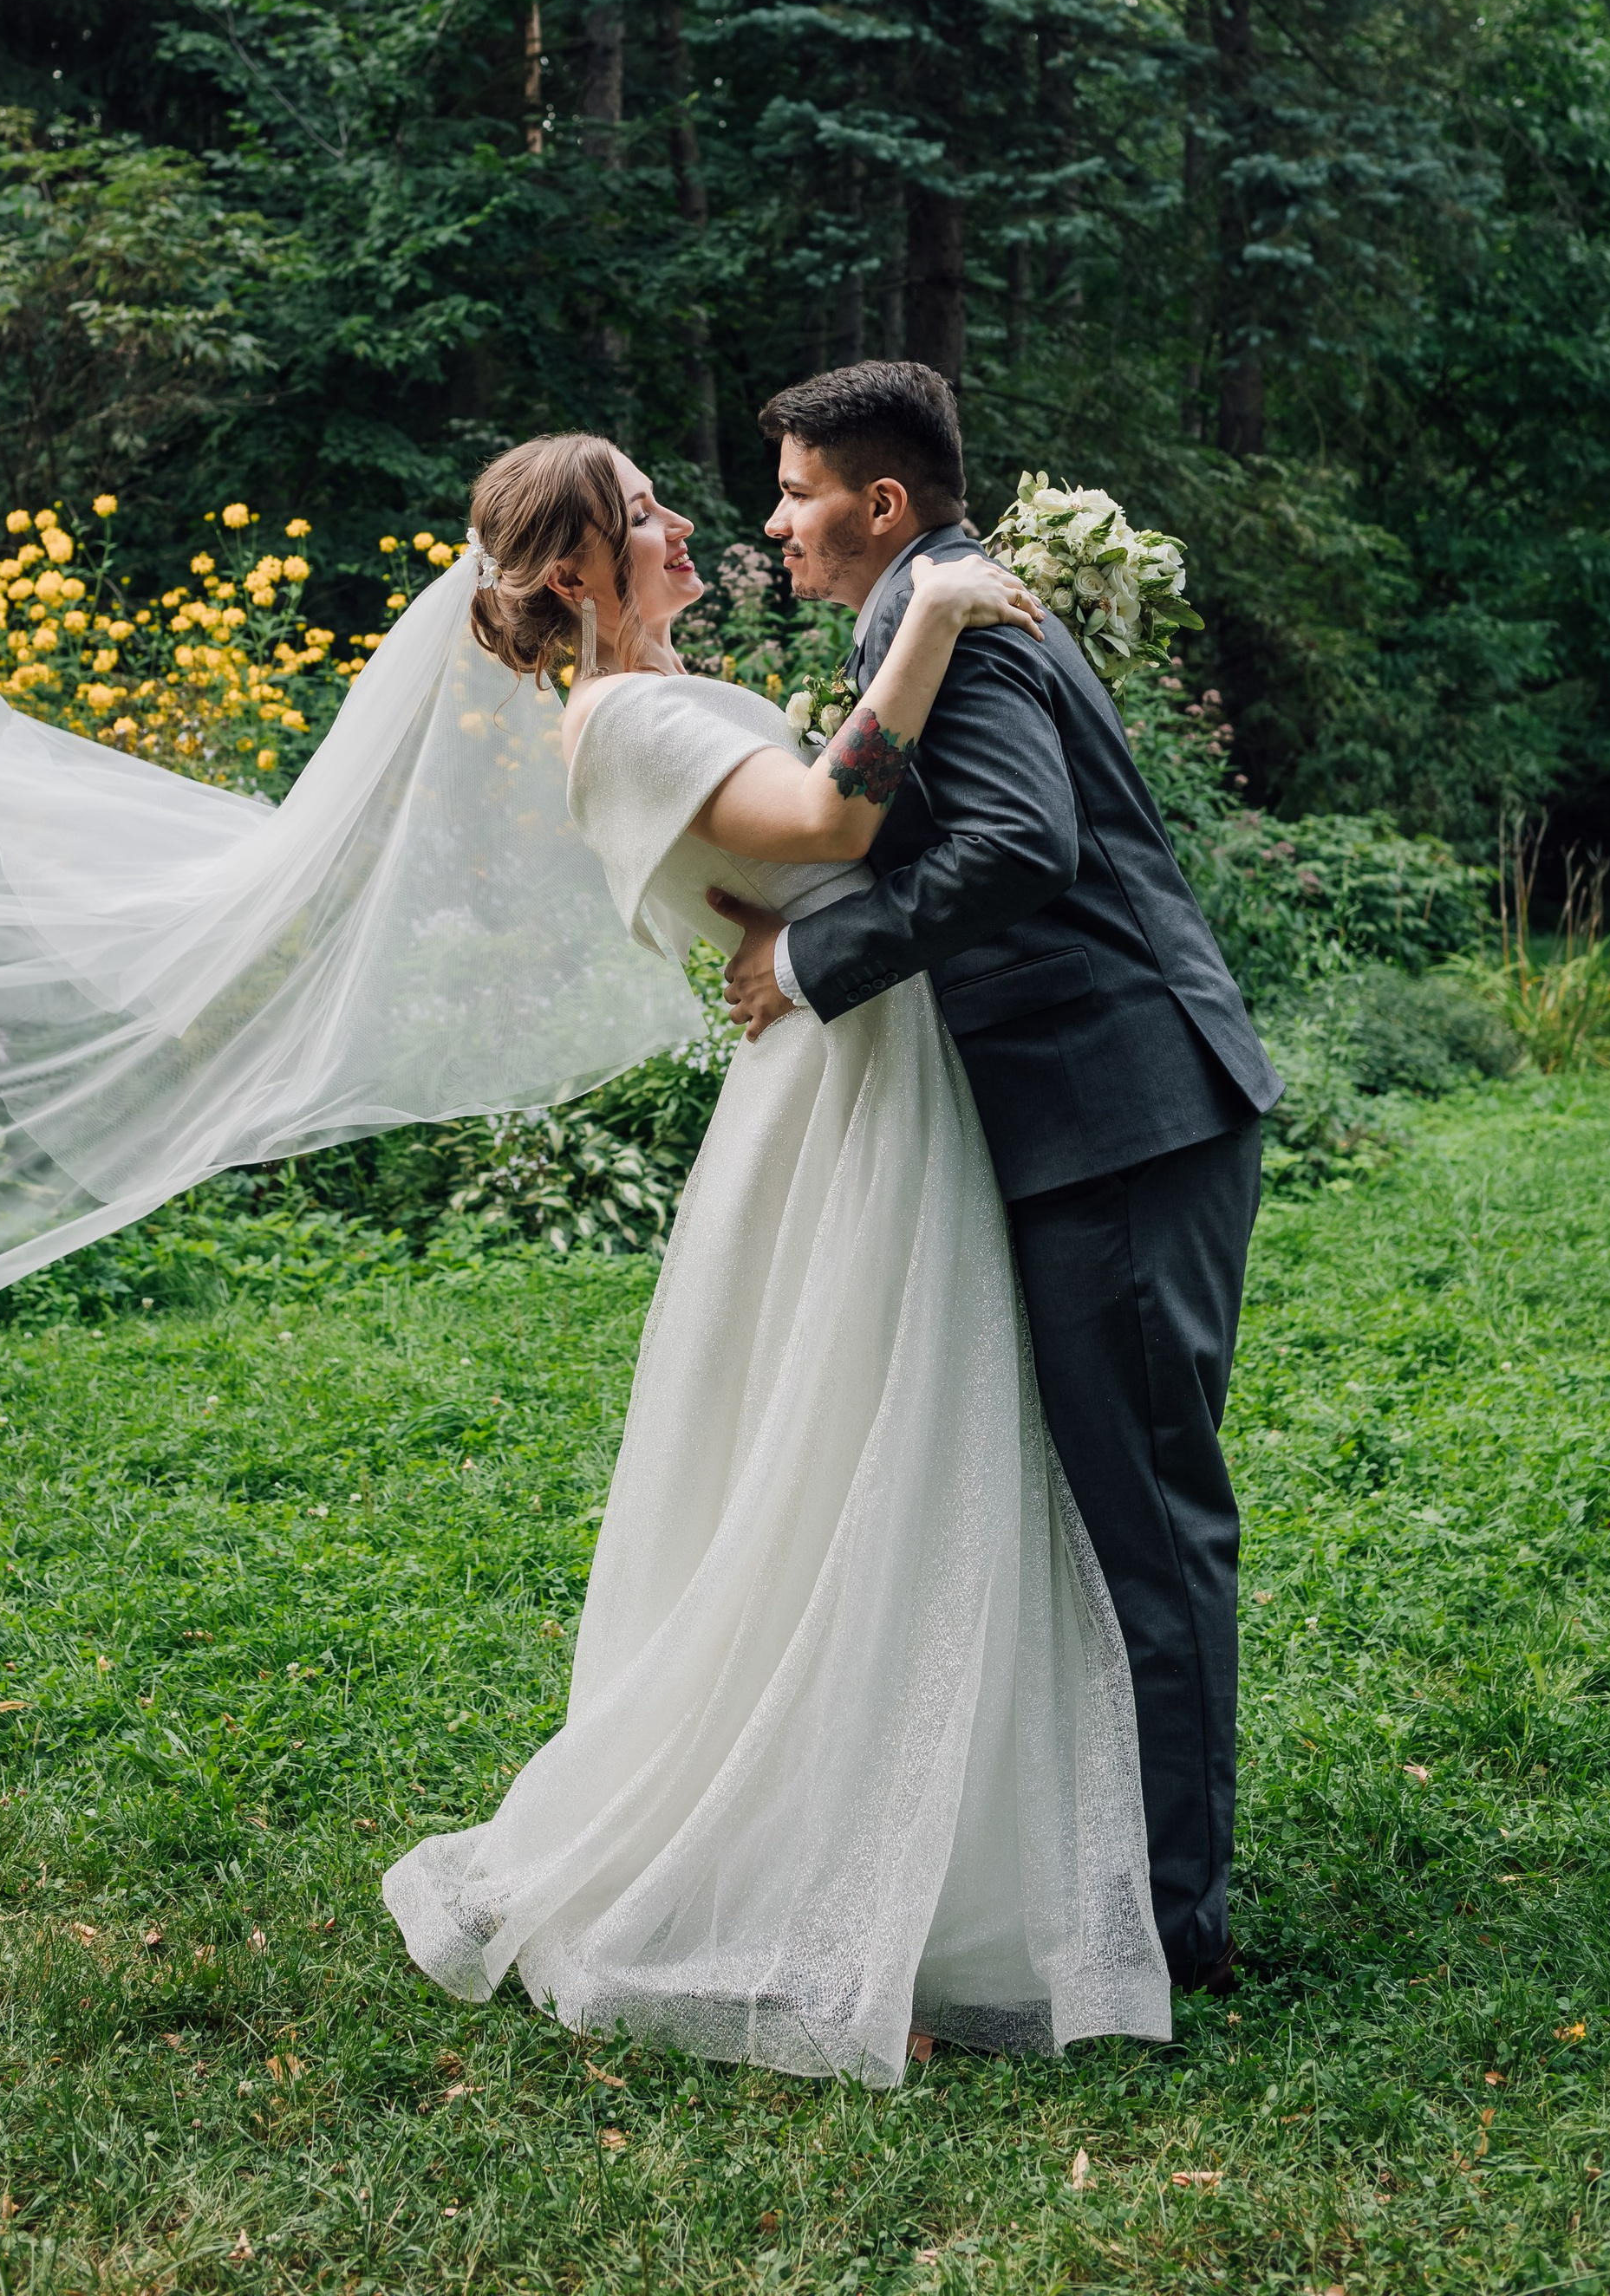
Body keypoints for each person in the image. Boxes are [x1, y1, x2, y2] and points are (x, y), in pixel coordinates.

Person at [381, 432, 1172, 2085]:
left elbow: (826, 859)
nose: (682, 524)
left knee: (886, 1471)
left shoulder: (681, 692)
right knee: (849, 1479)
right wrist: (941, 609)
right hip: (844, 1109)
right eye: (645, 511)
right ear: (577, 573)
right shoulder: (623, 718)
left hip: (876, 1078)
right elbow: (828, 814)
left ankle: (913, 1871)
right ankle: (796, 1900)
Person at [715, 363, 1281, 2000]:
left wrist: (824, 957)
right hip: (1102, 1110)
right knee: (1120, 1512)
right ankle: (1128, 1868)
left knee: (1154, 1524)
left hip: (1123, 1114)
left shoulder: (958, 625)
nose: (775, 516)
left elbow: (1023, 846)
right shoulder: (926, 613)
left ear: (883, 503)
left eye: (799, 488)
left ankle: (1176, 1930)